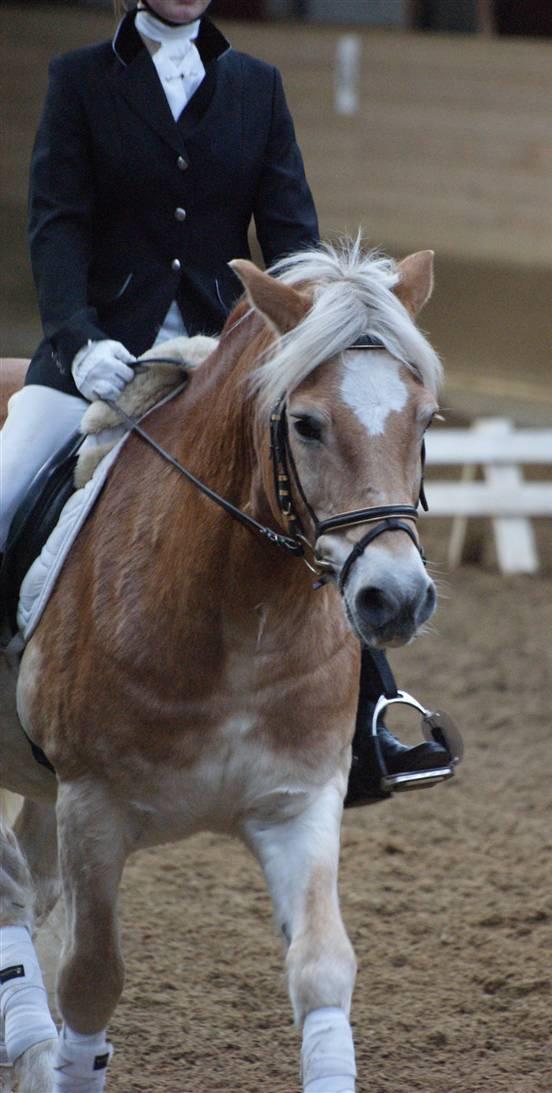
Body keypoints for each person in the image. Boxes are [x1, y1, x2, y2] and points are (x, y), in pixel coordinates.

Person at [0, 0, 450, 802]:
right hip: (99, 360)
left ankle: (373, 714)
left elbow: (292, 239)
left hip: (223, 368)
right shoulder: (80, 82)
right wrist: (78, 338)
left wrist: (328, 331)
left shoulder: (256, 87)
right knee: (5, 492)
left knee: (331, 512)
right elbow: (57, 225)